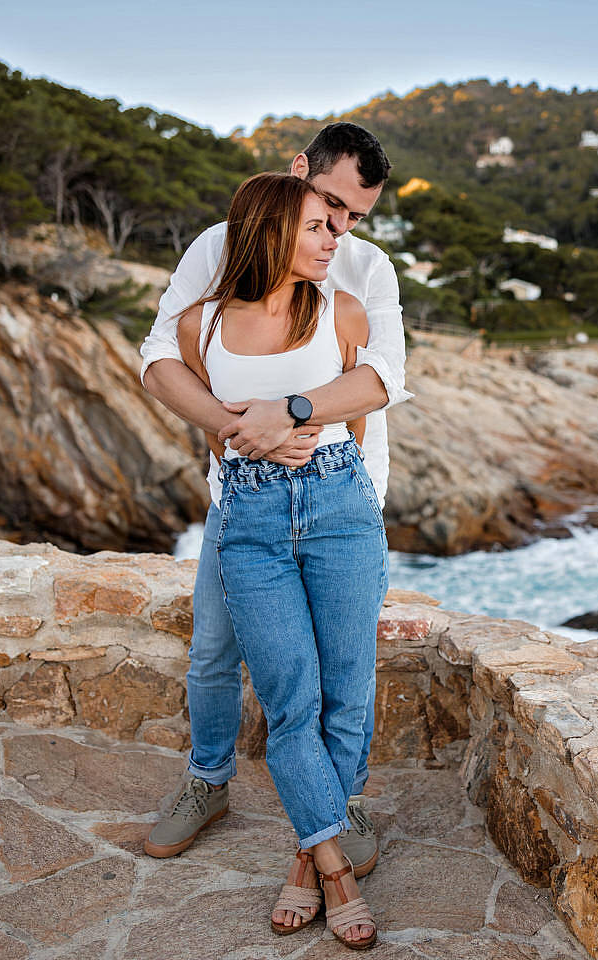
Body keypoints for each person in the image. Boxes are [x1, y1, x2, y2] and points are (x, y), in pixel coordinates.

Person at [137, 123, 409, 917]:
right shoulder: (217, 250)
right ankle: (209, 781)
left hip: (341, 493)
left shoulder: (362, 273)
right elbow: (160, 358)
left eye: (354, 216)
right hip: (242, 497)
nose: (341, 229)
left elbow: (380, 380)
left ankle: (332, 819)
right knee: (215, 652)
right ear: (298, 175)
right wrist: (240, 429)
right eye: (329, 207)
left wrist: (291, 415)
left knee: (345, 678)